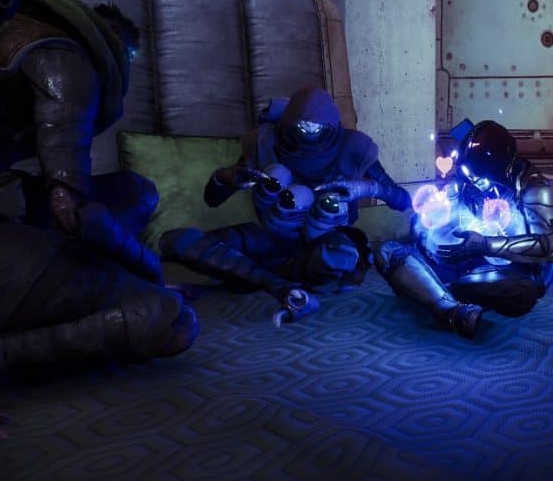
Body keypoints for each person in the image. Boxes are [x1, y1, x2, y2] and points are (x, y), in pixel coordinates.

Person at [0, 0, 197, 443]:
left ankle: (105, 284)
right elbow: (73, 211)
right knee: (166, 318)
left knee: (134, 192)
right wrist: (149, 271)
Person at [159, 85, 412, 324]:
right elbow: (212, 198)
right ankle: (278, 283)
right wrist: (225, 177)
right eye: (303, 126)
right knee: (175, 241)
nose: (309, 132)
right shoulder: (266, 141)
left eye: (317, 127)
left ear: (331, 125)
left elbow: (403, 201)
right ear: (289, 123)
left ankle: (258, 276)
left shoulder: (353, 147)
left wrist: (368, 188)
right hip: (273, 240)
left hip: (325, 245)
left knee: (342, 256)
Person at [374, 120, 553, 339]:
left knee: (511, 288)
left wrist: (484, 245)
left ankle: (435, 293)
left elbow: (547, 246)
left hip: (515, 272)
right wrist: (427, 231)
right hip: (464, 266)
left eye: (478, 175)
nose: (473, 180)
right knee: (388, 251)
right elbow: (425, 225)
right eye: (469, 173)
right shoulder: (463, 181)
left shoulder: (536, 189)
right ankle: (452, 310)